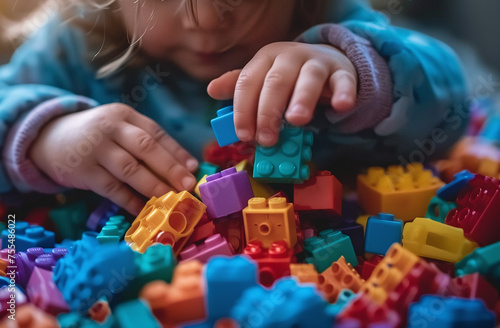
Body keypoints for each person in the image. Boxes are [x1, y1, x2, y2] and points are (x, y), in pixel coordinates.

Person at [0, 0, 469, 215]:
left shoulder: (331, 21)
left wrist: (359, 72)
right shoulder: (75, 44)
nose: (205, 19)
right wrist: (43, 136)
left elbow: (452, 109)